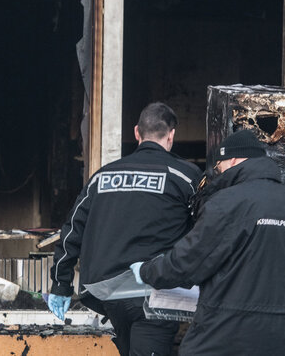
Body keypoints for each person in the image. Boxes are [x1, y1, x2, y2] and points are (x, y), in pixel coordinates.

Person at [131, 129, 285, 355]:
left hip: (224, 339)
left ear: (232, 159)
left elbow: (186, 262)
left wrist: (146, 271)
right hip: (283, 341)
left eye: (219, 166)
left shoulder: (227, 204)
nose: (218, 173)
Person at [48, 102, 201, 356]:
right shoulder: (186, 176)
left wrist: (61, 284)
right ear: (171, 136)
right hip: (156, 294)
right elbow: (205, 232)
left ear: (136, 133)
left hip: (107, 295)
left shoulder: (102, 177)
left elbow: (72, 230)